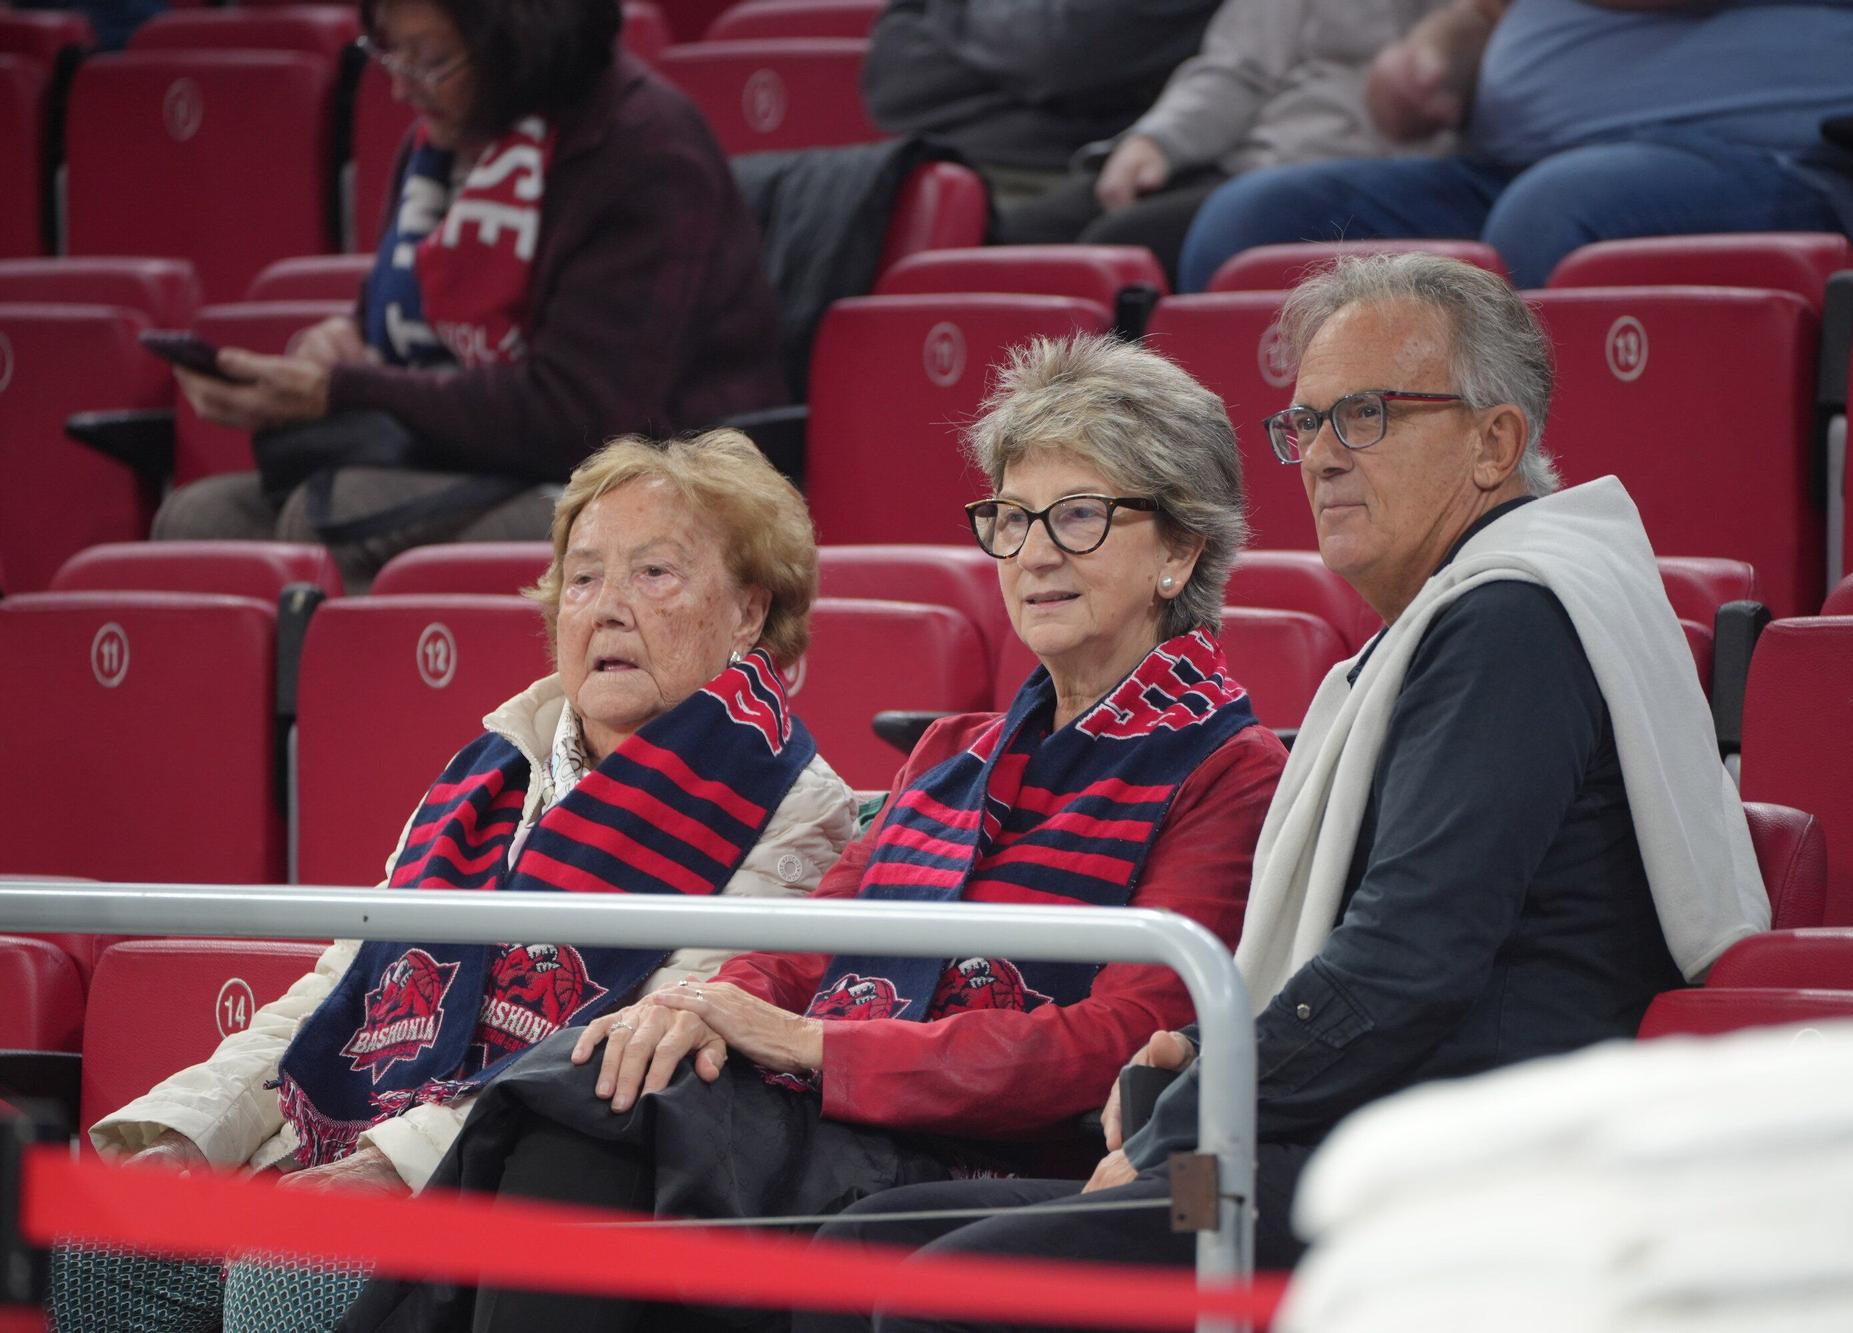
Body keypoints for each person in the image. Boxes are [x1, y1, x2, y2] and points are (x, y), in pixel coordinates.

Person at [801, 253, 1773, 1330]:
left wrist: (1182, 1130)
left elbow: (1402, 972)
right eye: (1304, 425)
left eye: (1363, 417)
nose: (1319, 457)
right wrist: (1206, 1070)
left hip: (1436, 1177)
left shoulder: (1508, 624)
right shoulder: (1459, 620)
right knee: (866, 1243)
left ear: (1494, 442)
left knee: (949, 1287)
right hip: (1335, 1143)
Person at [339, 333, 1291, 1332]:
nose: (1034, 551)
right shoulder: (949, 751)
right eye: (1009, 519)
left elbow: (1119, 1043)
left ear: (1179, 549)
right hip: (842, 1117)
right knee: (586, 1088)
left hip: (993, 1154)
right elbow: (805, 944)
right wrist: (711, 1004)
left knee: (583, 1115)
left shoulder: (1226, 771)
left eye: (1080, 516)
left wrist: (813, 1043)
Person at [48, 432, 857, 1333]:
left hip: (551, 1186)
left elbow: (640, 1049)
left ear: (749, 611)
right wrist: (189, 1134)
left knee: (300, 1267)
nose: (609, 608)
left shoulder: (796, 803)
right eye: (584, 578)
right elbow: (337, 990)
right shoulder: (488, 775)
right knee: (114, 1237)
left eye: (655, 573)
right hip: (367, 1137)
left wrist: (395, 1167)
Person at [154, 0, 787, 590]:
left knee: (335, 514)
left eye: (429, 61)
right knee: (197, 518)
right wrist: (339, 346)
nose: (400, 87)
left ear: (516, 42)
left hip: (649, 484)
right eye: (389, 54)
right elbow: (397, 322)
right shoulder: (441, 145)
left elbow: (578, 420)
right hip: (468, 457)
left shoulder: (643, 150)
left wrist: (344, 389)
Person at [1177, 0, 1853, 291]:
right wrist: (1443, 44)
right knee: (1248, 224)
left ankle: (1516, 545)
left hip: (1803, 169)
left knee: (1554, 214)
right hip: (1517, 168)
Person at [995, 0, 1450, 284]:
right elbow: (1236, 68)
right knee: (1018, 239)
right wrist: (1158, 140)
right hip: (1238, 158)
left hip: (1336, 177)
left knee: (1118, 246)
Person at [861, 0, 1221, 204]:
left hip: (1068, 175)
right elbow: (894, 83)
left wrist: (954, 12)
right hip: (940, 161)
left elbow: (1065, 56)